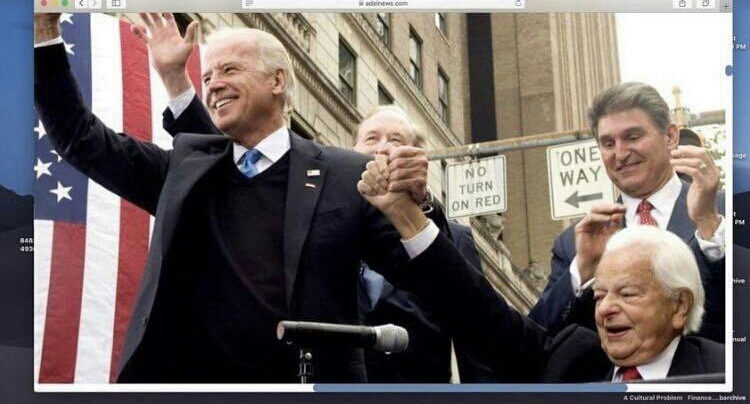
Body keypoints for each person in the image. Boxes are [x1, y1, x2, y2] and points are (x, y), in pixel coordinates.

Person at [33, 13, 431, 383]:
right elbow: (81, 140)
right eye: (206, 77)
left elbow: (429, 269)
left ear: (276, 81)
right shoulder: (183, 178)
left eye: (228, 70)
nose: (212, 85)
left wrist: (421, 200)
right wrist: (44, 36)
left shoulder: (339, 182)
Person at [357, 161, 724, 382]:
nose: (606, 309)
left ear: (679, 306)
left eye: (627, 294)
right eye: (599, 295)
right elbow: (475, 309)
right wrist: (407, 218)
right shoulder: (572, 361)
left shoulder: (724, 373)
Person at [528, 82, 726, 343]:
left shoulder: (725, 212)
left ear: (670, 137)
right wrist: (582, 271)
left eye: (633, 137)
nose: (620, 154)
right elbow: (537, 340)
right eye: (608, 143)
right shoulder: (574, 244)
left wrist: (709, 227)